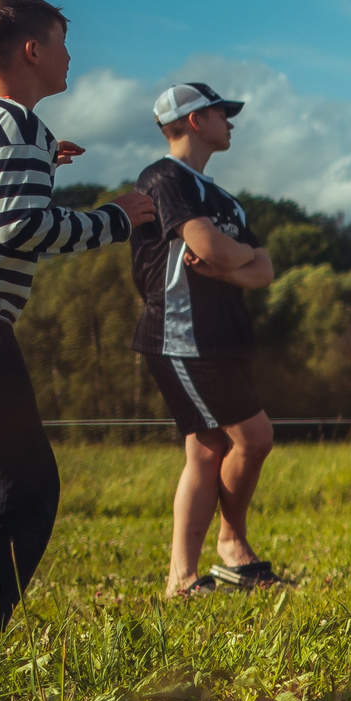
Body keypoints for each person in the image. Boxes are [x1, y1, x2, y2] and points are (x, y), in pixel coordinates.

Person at [0, 0, 156, 641]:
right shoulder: (14, 125)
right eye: (64, 44)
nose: (72, 57)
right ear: (32, 51)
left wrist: (41, 160)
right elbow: (21, 227)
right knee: (16, 489)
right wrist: (118, 217)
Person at [131, 83, 289, 597]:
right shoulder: (162, 177)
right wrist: (231, 258)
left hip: (224, 336)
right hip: (181, 335)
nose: (232, 122)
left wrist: (227, 268)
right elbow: (207, 246)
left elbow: (263, 270)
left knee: (206, 449)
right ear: (195, 121)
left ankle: (184, 578)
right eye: (223, 113)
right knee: (255, 436)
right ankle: (231, 546)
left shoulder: (226, 199)